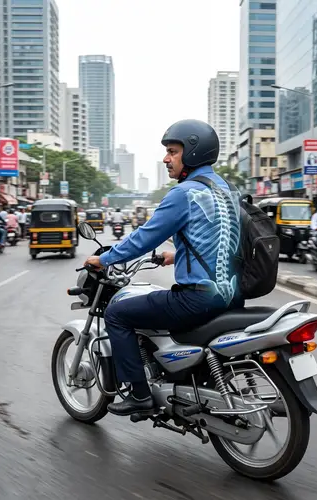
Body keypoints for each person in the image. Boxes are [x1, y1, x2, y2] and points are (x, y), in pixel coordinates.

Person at [83, 119, 242, 417]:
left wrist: (103, 259)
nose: (166, 159)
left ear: (193, 153)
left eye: (172, 151)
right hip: (233, 295)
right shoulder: (228, 190)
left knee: (118, 313)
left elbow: (144, 238)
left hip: (198, 300)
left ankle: (140, 395)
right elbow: (214, 236)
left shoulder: (185, 193)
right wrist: (177, 254)